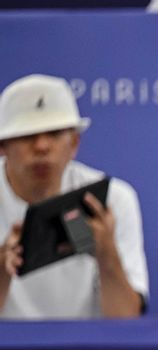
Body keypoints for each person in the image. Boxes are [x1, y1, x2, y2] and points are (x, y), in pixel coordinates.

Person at [0, 74, 148, 319]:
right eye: (28, 136)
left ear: (74, 143)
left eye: (55, 134)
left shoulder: (113, 200)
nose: (42, 147)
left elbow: (126, 321)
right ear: (3, 147)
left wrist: (106, 253)